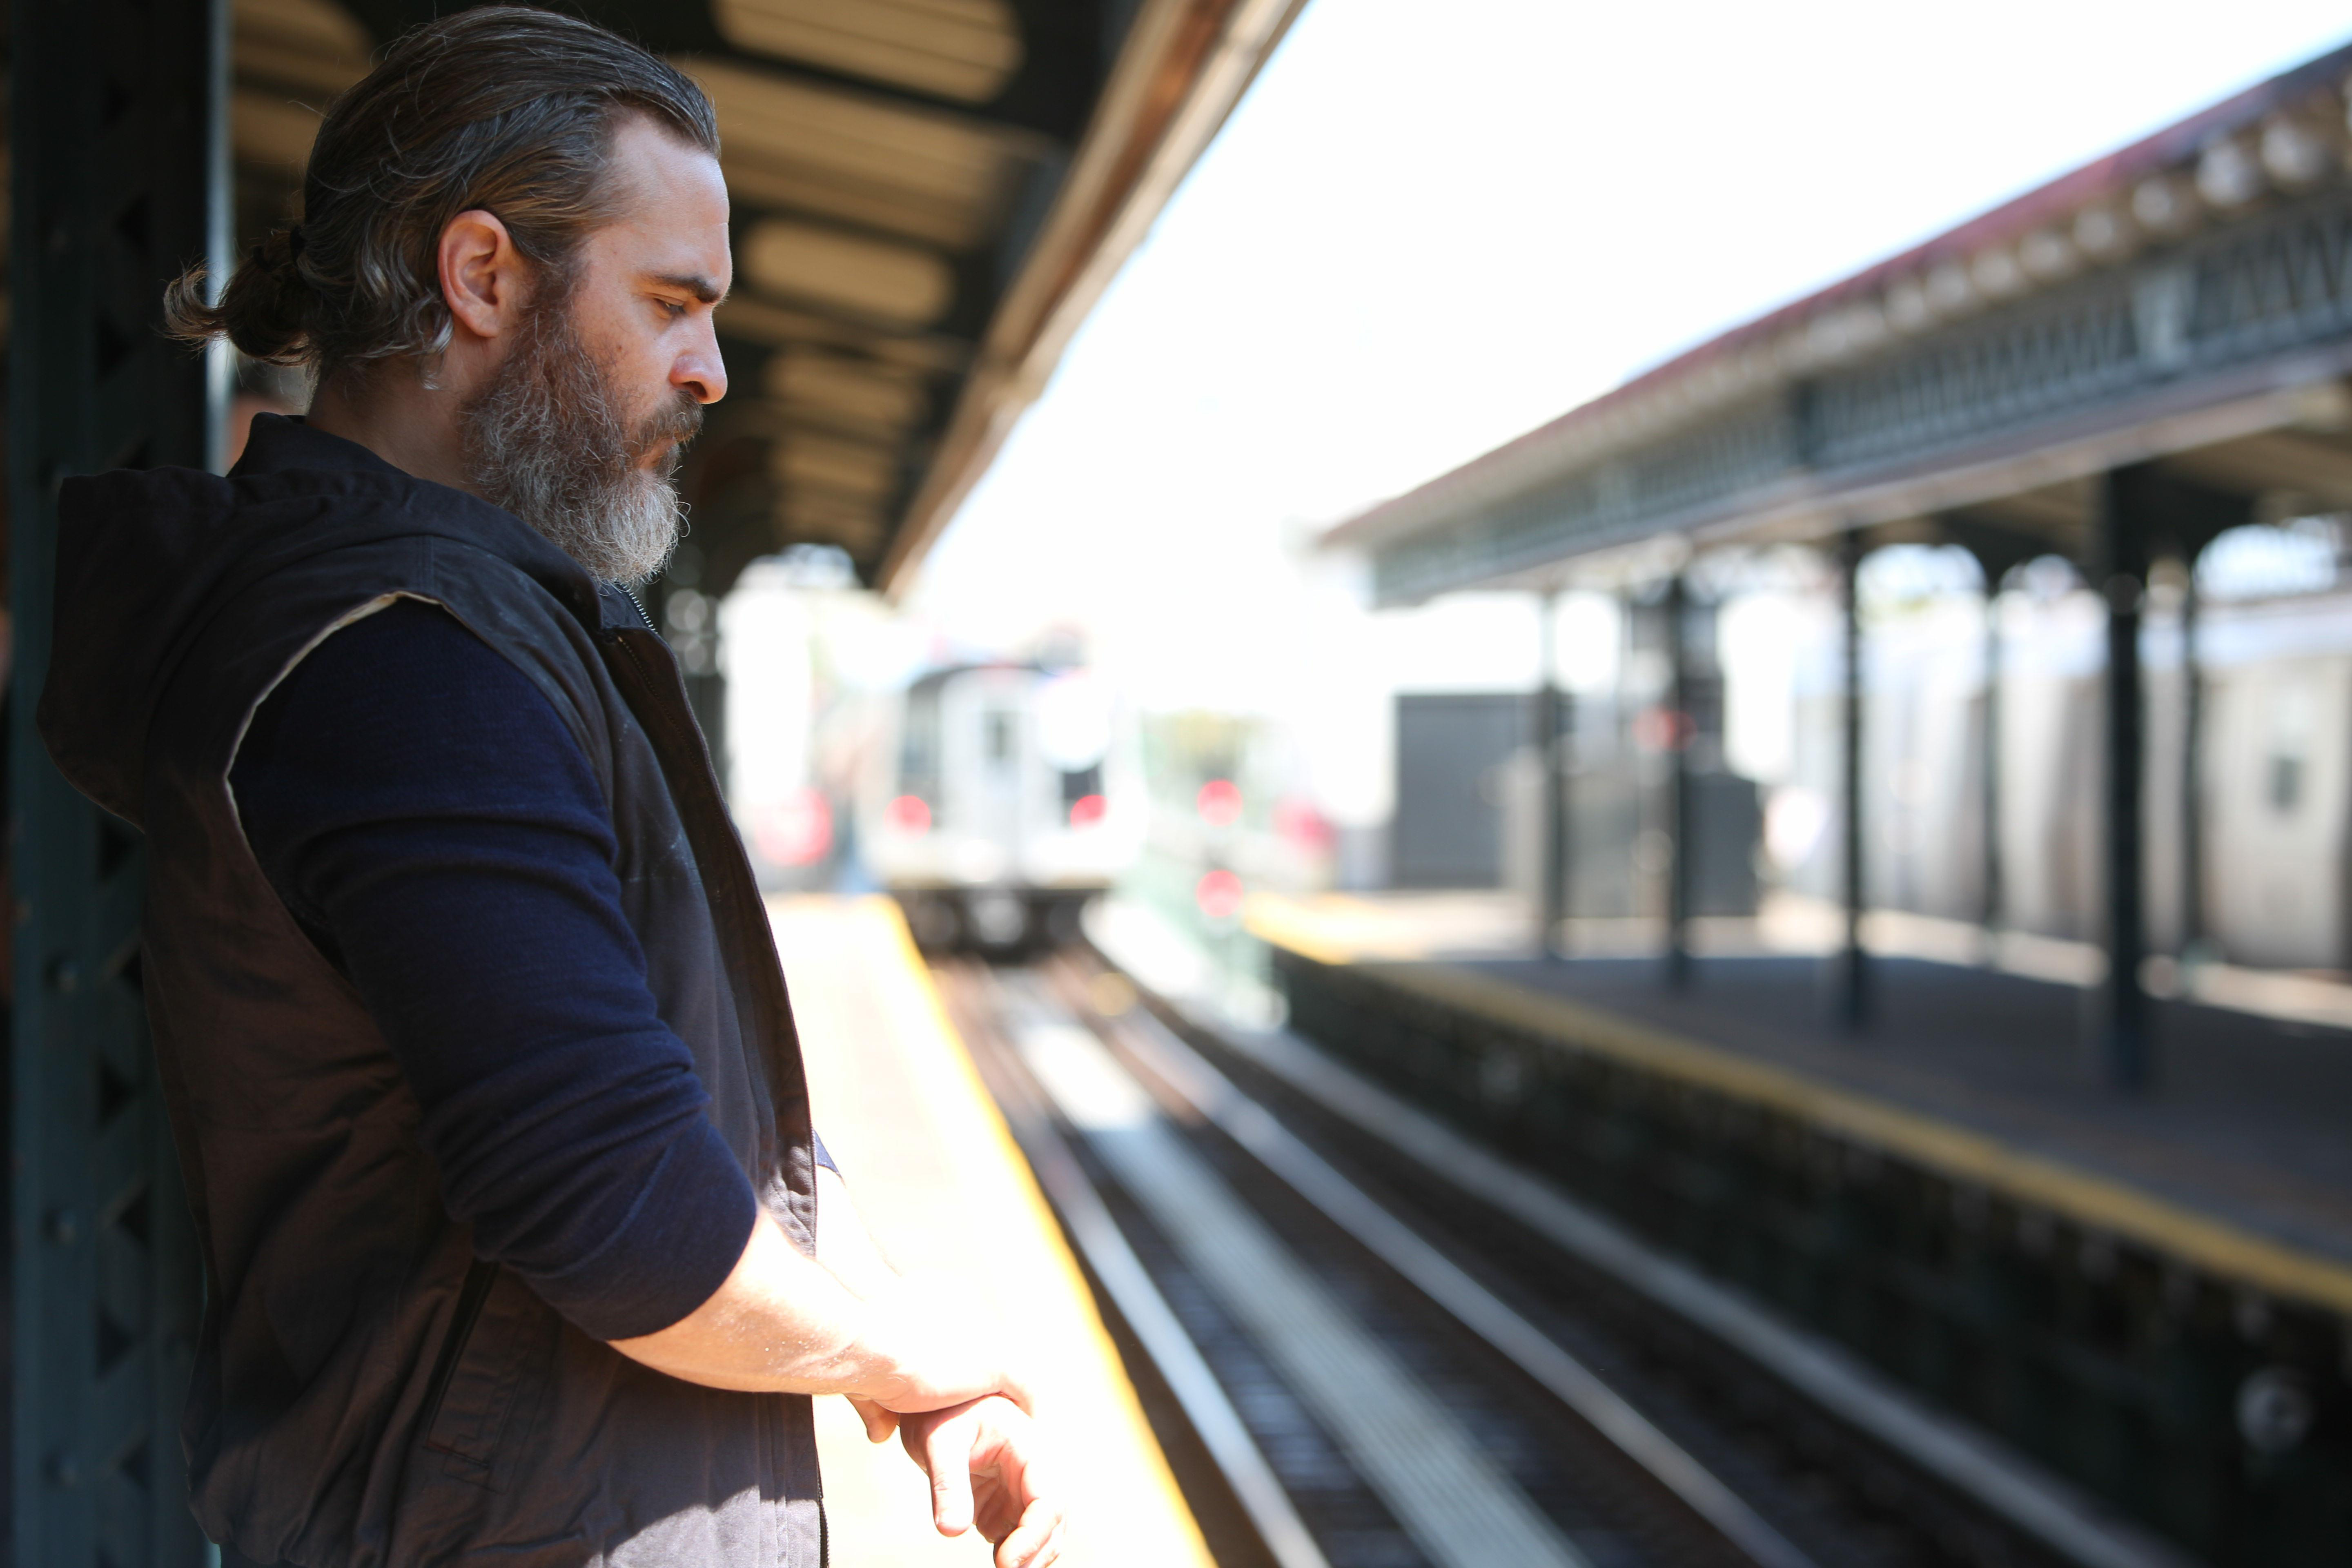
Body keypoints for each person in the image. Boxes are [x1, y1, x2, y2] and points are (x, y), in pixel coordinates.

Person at [36, 8, 1062, 1565]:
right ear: (483, 277)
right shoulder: (403, 664)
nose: (711, 371)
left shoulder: (467, 629)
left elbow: (690, 1114)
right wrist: (893, 1359)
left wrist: (910, 1362)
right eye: (671, 304)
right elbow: (616, 1195)